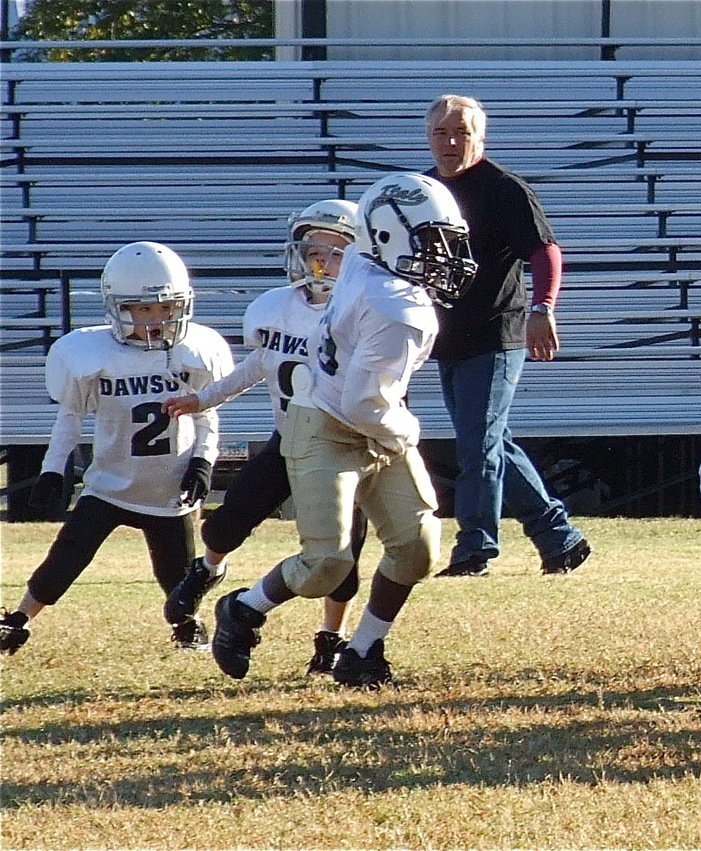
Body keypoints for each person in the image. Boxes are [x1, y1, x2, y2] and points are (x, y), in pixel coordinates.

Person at [208, 171, 478, 688]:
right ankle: (244, 607)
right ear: (385, 235)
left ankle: (363, 651)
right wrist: (405, 434)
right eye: (430, 241)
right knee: (326, 564)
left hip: (367, 414)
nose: (441, 256)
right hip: (330, 426)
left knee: (418, 548)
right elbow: (363, 403)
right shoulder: (399, 307)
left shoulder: (362, 264)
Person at [161, 199, 370, 676]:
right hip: (287, 439)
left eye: (337, 253)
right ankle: (207, 570)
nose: (321, 262)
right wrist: (203, 398)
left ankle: (330, 637)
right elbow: (259, 365)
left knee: (343, 553)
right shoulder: (274, 308)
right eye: (314, 249)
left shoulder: (363, 311)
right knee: (229, 519)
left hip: (340, 444)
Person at [0, 242, 233, 656]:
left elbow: (206, 414)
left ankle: (188, 625)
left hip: (168, 490)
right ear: (117, 306)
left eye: (166, 308)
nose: (156, 319)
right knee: (65, 558)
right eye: (143, 309)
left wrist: (202, 461)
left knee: (178, 580)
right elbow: (69, 418)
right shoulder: (93, 354)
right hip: (107, 485)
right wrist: (54, 470)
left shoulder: (194, 351)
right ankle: (17, 621)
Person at [423, 93, 591, 578]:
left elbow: (545, 252)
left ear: (481, 137)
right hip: (446, 338)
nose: (451, 142)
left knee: (478, 444)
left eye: (462, 133)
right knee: (490, 441)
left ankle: (475, 547)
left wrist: (544, 308)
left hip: (496, 332)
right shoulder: (423, 190)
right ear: (427, 137)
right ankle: (560, 538)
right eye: (441, 133)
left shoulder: (503, 188)